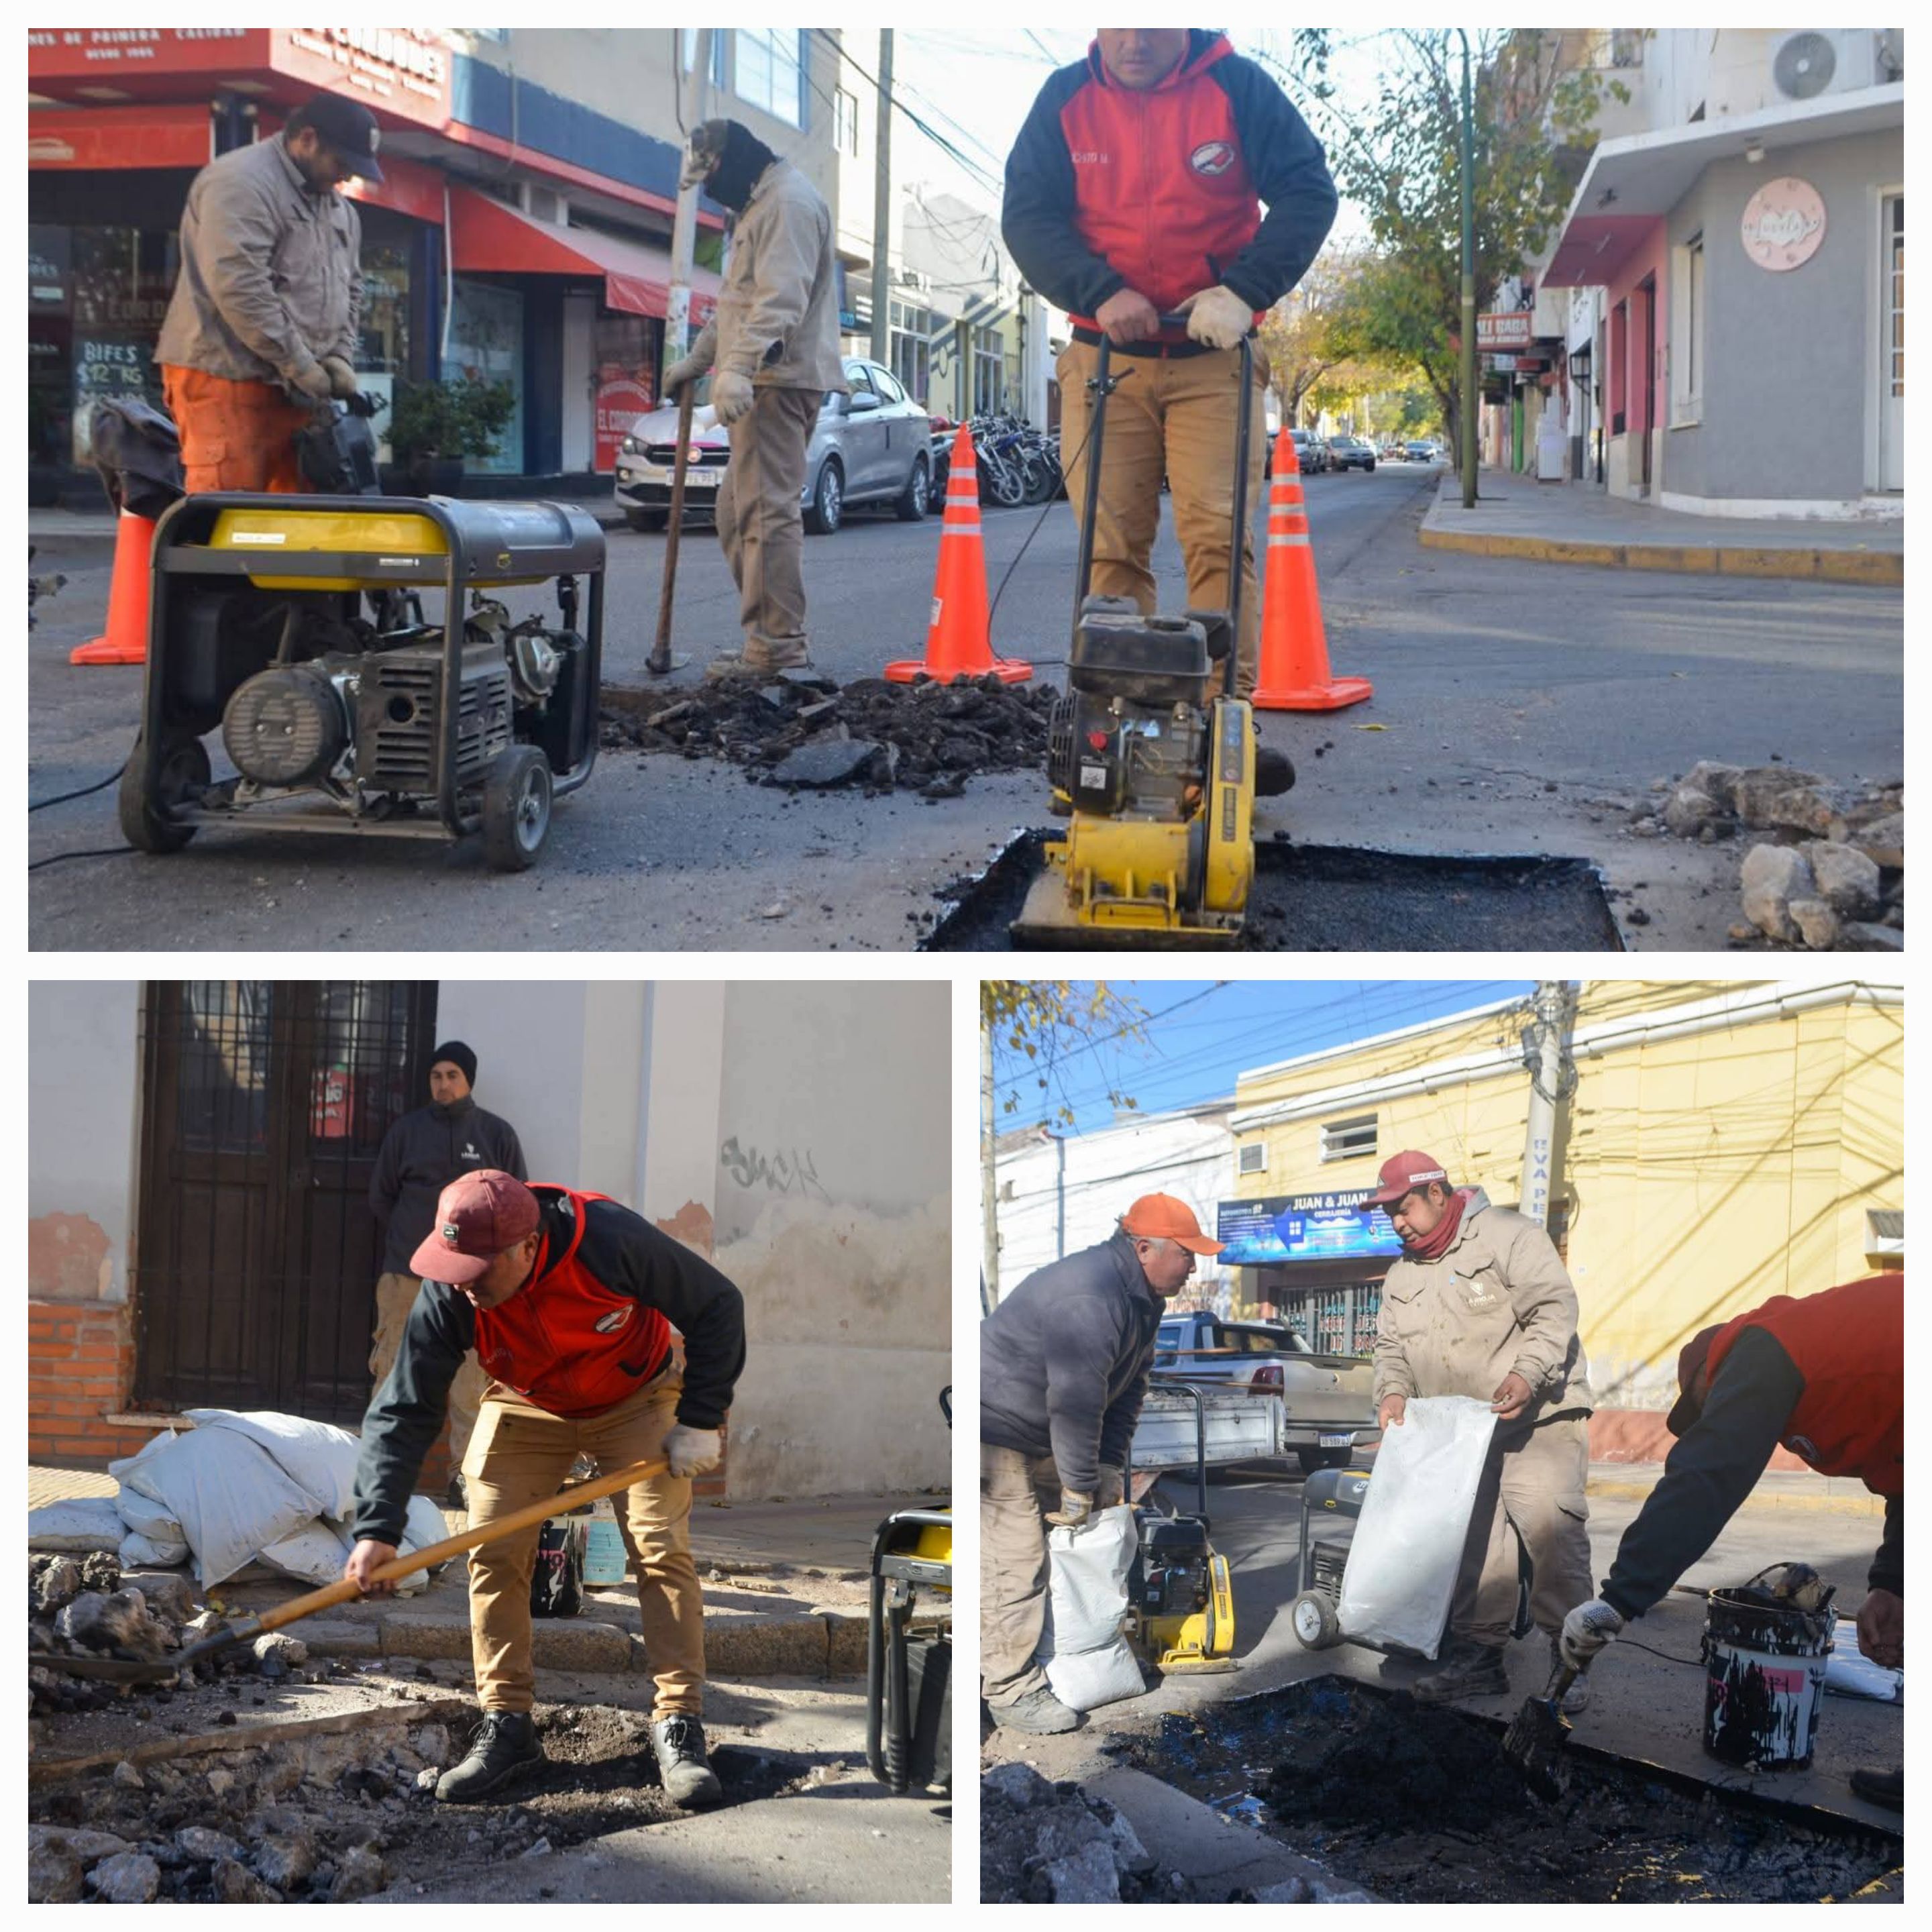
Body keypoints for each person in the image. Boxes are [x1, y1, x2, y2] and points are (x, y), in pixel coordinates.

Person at [343, 1171, 746, 1808]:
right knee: (492, 1548)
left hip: (636, 1396)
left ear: (527, 1247)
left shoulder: (609, 1241)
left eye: (479, 1271)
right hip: (526, 1401)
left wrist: (699, 1416)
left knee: (659, 1548)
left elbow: (718, 1304)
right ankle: (507, 1724)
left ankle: (679, 1722)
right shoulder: (453, 1288)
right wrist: (377, 1526)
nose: (464, 1285)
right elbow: (406, 1405)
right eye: (456, 1269)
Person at [1002, 30, 1338, 693]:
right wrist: (1099, 291)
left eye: (1152, 25)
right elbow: (1028, 217)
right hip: (1105, 360)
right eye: (1120, 24)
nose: (1134, 43)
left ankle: (1219, 714)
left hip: (1213, 357)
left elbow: (1308, 192)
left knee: (1217, 540)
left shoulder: (1236, 87)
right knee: (1110, 547)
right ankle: (1122, 710)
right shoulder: (1066, 99)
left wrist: (1242, 291)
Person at [1560, 1274, 1903, 1809]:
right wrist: (1892, 1583)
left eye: (1704, 1405)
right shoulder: (1819, 1370)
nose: (1711, 1416)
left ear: (1711, 1375)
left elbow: (1706, 1478)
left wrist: (1619, 1599)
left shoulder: (1765, 1348)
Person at [979, 1193, 1224, 1733]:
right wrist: (1078, 1484)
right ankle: (1008, 1688)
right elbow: (1076, 1400)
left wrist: (1109, 1466)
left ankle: (1065, 1657)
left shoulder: (1143, 1300)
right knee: (1016, 1560)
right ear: (1144, 1249)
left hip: (1043, 1429)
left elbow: (1131, 1388)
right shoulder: (1091, 1295)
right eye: (1186, 1254)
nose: (1193, 1267)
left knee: (1072, 1549)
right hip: (995, 1430)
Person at [1368, 1150, 1595, 1708]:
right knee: (1476, 1546)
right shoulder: (1401, 1275)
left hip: (1538, 1415)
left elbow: (1553, 1309)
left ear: (1437, 1193)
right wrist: (1392, 1391)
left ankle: (1569, 1665)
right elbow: (1391, 1349)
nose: (1397, 1222)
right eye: (1389, 1212)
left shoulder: (1508, 1236)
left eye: (1404, 1207)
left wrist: (1527, 1372)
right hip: (1462, 1433)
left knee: (1550, 1533)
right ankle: (1480, 1660)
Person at [660, 118, 845, 676]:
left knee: (765, 515)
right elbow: (738, 302)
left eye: (712, 173)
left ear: (735, 158)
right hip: (761, 381)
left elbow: (780, 300)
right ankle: (766, 635)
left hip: (776, 382)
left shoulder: (787, 203)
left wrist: (738, 367)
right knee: (736, 515)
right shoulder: (759, 206)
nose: (712, 188)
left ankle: (776, 647)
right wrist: (700, 360)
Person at [154, 93, 377, 494]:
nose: (345, 177)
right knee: (230, 517)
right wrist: (303, 365)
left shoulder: (338, 208)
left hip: (301, 389)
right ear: (307, 139)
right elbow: (240, 286)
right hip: (229, 379)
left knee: (301, 521)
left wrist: (340, 356)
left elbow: (352, 286)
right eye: (341, 163)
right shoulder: (241, 183)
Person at [368, 1041, 527, 1472]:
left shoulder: (496, 1134)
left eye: (452, 1076)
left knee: (472, 1382)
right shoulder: (406, 1132)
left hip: (475, 1281)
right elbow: (382, 1196)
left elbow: (517, 1202)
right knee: (393, 1372)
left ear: (468, 1080)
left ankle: (466, 1477)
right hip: (407, 1275)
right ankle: (383, 1474)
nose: (443, 1084)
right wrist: (414, 1238)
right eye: (436, 1076)